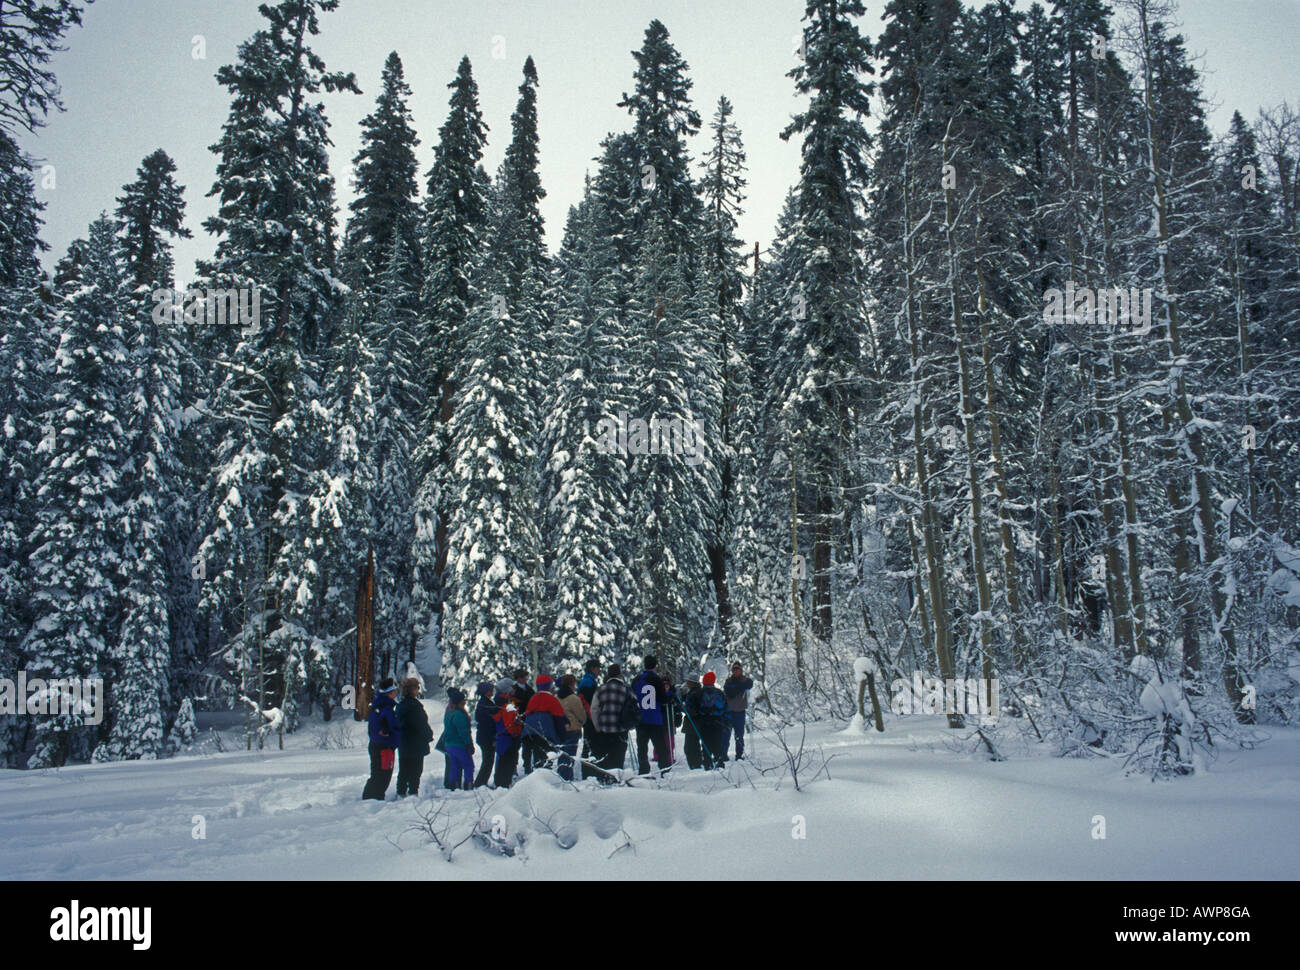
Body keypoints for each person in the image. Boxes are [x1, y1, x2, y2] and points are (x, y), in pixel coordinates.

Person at [589, 664, 639, 784]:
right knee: (618, 758)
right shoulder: (626, 689)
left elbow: (594, 709)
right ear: (619, 675)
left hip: (604, 730)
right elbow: (635, 707)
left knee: (605, 758)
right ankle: (616, 782)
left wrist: (597, 726)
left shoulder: (600, 689)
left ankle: (604, 781)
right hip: (620, 730)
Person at [362, 678, 401, 800]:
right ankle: (374, 799)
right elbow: (391, 726)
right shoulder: (386, 707)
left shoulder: (379, 705)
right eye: (394, 690)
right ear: (389, 692)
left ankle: (371, 798)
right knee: (382, 775)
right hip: (383, 746)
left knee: (378, 773)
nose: (396, 692)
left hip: (378, 744)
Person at [631, 655, 670, 776]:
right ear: (655, 666)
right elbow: (663, 699)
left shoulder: (636, 679)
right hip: (655, 718)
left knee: (642, 747)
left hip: (641, 717)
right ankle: (664, 770)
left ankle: (643, 770)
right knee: (660, 746)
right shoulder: (657, 679)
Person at [395, 677, 433, 797]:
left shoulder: (401, 705)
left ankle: (401, 792)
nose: (418, 690)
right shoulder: (414, 706)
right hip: (415, 743)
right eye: (416, 688)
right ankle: (412, 792)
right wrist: (428, 735)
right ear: (411, 689)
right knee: (415, 770)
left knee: (404, 769)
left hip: (404, 743)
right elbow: (420, 724)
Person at [522, 674, 567, 773]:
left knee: (536, 754)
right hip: (545, 731)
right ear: (548, 686)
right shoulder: (551, 699)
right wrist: (562, 735)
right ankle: (542, 777)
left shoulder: (533, 698)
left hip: (529, 731)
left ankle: (531, 771)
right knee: (545, 757)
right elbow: (559, 716)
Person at [687, 672, 728, 769]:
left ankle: (707, 763)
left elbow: (691, 706)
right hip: (718, 722)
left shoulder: (699, 693)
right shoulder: (720, 693)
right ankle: (719, 762)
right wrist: (726, 721)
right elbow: (726, 708)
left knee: (706, 744)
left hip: (704, 722)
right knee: (717, 743)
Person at [437, 688, 475, 790]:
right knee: (468, 765)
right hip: (459, 744)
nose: (465, 701)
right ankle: (468, 785)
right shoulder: (459, 714)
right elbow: (463, 732)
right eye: (463, 699)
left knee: (455, 766)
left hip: (448, 744)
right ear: (459, 701)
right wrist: (469, 744)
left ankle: (454, 786)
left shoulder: (449, 712)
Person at [492, 685, 524, 788]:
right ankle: (505, 783)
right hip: (509, 738)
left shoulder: (499, 709)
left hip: (501, 738)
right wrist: (515, 733)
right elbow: (510, 725)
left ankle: (499, 782)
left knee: (502, 760)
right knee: (509, 761)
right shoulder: (508, 709)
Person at [557, 674, 587, 781]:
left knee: (561, 754)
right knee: (570, 755)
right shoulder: (574, 698)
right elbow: (581, 715)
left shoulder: (556, 697)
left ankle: (560, 776)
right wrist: (581, 722)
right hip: (572, 729)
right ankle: (567, 778)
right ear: (571, 684)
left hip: (560, 730)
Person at [722, 662, 755, 761]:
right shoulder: (729, 681)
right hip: (729, 712)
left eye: (738, 669)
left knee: (739, 735)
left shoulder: (744, 680)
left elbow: (750, 683)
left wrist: (741, 685)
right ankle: (724, 754)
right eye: (734, 670)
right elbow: (730, 692)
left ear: (741, 670)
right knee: (726, 735)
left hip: (740, 711)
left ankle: (739, 754)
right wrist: (741, 686)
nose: (736, 671)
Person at [472, 682, 499, 788]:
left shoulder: (485, 703)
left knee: (487, 760)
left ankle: (482, 782)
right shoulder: (485, 704)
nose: (492, 692)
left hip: (484, 736)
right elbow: (488, 723)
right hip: (486, 737)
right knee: (488, 761)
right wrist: (493, 737)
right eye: (490, 690)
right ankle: (480, 783)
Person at [577, 660, 601, 779]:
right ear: (592, 668)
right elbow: (589, 703)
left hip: (587, 718)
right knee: (590, 746)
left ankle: (587, 772)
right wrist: (594, 719)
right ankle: (589, 773)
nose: (599, 671)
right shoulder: (588, 682)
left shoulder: (587, 681)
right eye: (598, 668)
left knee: (588, 745)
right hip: (590, 719)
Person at [512, 669, 537, 773]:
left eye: (525, 677)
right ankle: (513, 767)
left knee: (528, 744)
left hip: (528, 720)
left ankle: (527, 765)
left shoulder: (529, 689)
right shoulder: (513, 690)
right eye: (522, 677)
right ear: (517, 678)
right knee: (515, 745)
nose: (524, 679)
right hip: (517, 720)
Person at [679, 673, 703, 770]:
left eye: (689, 681)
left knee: (689, 747)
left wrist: (682, 707)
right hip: (694, 723)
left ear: (693, 683)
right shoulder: (694, 692)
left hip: (693, 724)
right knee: (693, 746)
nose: (687, 683)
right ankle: (696, 764)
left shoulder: (695, 693)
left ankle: (695, 765)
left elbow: (692, 710)